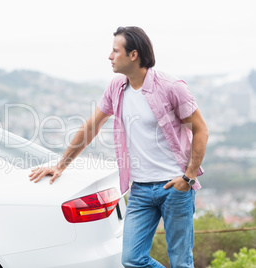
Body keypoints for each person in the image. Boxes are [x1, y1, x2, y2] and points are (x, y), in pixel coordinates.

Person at [29, 26, 208, 267]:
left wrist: (187, 178)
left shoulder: (171, 87)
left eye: (115, 51)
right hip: (140, 190)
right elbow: (91, 127)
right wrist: (61, 166)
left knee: (181, 262)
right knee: (132, 260)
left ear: (133, 55)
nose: (110, 56)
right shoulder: (117, 88)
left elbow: (201, 129)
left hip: (175, 187)